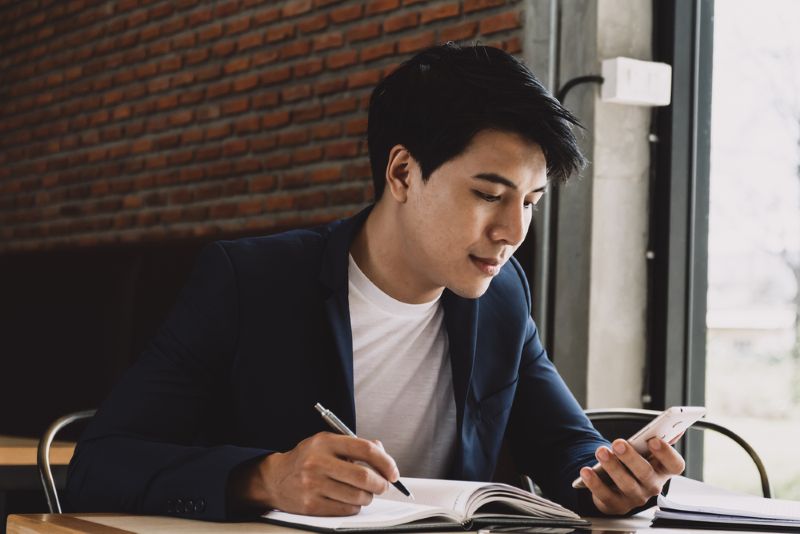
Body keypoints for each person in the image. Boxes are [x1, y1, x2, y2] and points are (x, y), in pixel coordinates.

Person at [65, 43, 685, 520]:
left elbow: (566, 445)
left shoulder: (501, 296)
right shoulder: (251, 282)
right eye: (489, 194)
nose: (511, 230)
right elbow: (99, 464)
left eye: (531, 202)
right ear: (402, 172)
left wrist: (612, 483)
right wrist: (265, 478)